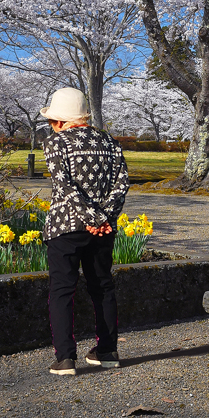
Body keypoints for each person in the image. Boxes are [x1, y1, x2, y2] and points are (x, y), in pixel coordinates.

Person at [39, 87, 129, 376]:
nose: (52, 125)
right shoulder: (111, 143)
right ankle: (107, 351)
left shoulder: (56, 143)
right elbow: (122, 183)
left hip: (66, 225)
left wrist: (89, 216)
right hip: (103, 229)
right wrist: (103, 218)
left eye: (53, 120)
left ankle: (65, 358)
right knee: (102, 285)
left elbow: (64, 186)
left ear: (61, 120)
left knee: (63, 289)